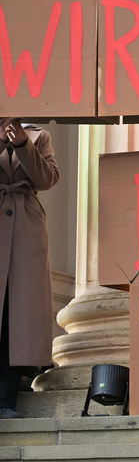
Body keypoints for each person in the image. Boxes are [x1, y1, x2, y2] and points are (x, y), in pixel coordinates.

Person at [0, 118, 59, 419]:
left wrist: (23, 143)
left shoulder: (39, 135)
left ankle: (7, 397)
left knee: (17, 313)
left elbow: (48, 179)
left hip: (26, 227)